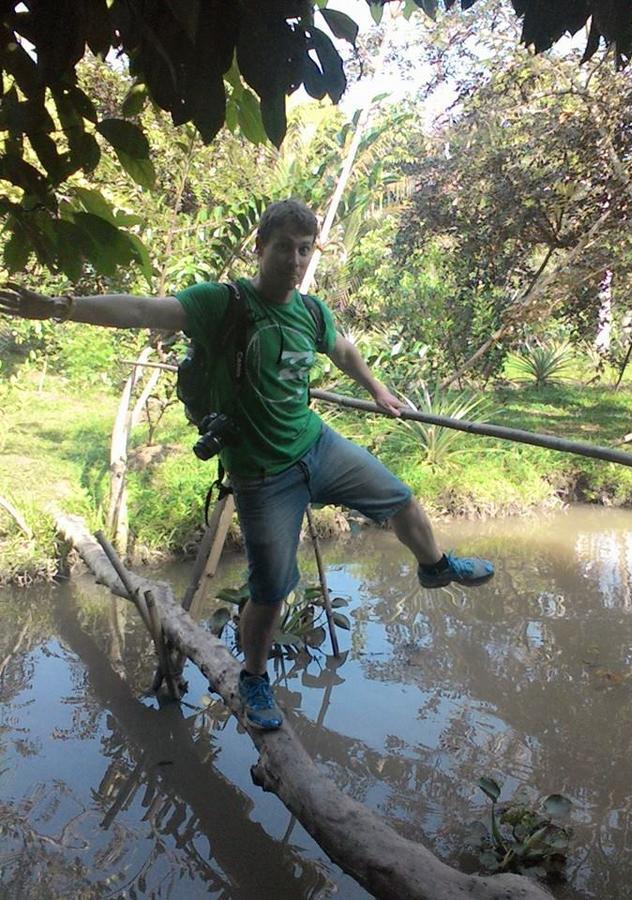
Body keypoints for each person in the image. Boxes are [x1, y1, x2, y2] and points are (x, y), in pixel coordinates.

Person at [0, 198, 493, 730]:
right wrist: (59, 307)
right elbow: (145, 310)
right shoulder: (223, 304)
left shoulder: (310, 311)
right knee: (270, 589)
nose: (295, 261)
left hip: (316, 445)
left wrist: (377, 389)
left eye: (305, 250)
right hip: (263, 476)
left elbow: (343, 349)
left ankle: (435, 566)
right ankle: (253, 677)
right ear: (261, 248)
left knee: (402, 501)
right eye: (284, 248)